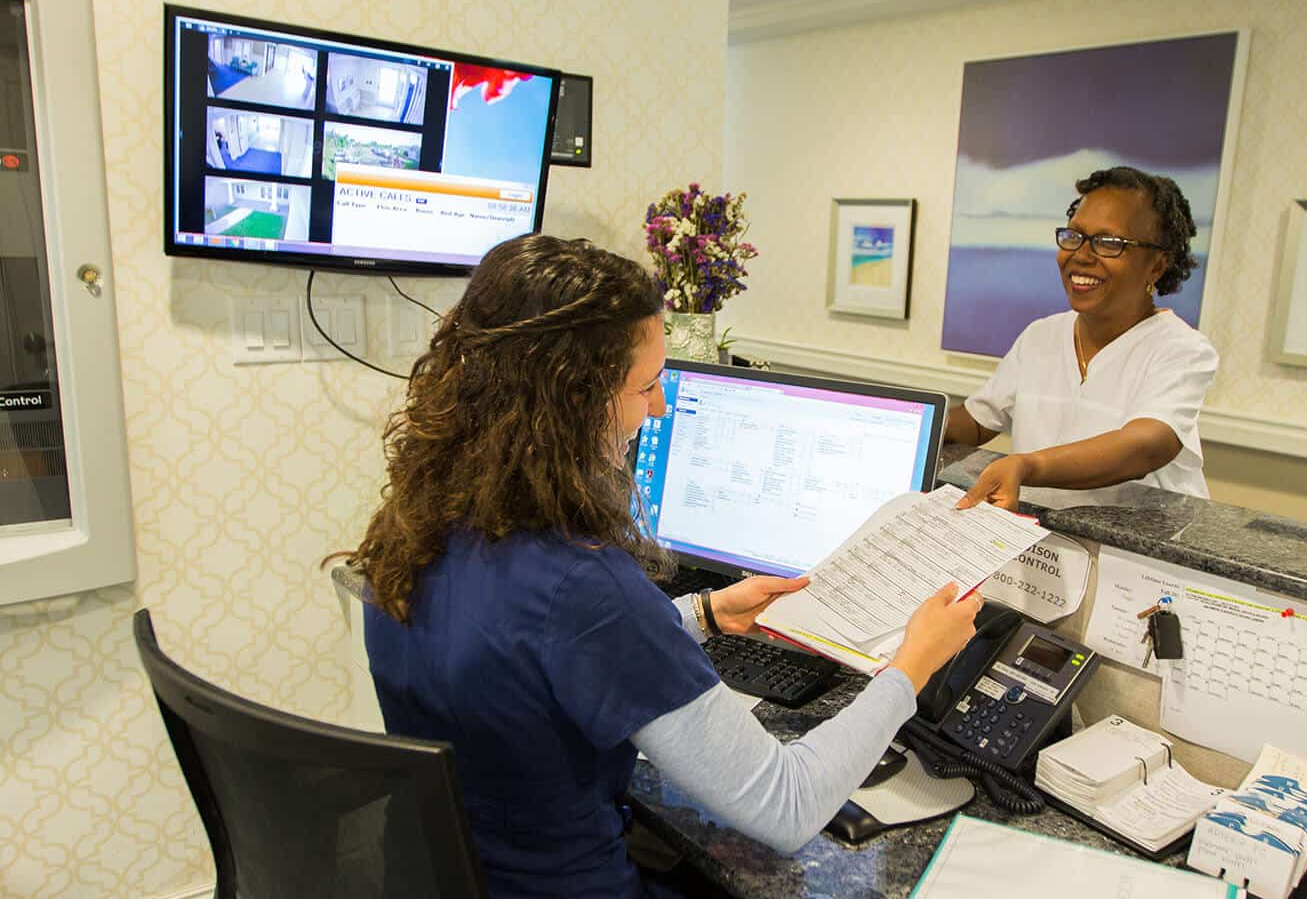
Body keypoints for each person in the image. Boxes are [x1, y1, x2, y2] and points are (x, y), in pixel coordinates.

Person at [338, 235, 983, 898]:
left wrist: (703, 612)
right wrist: (912, 664)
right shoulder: (584, 585)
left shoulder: (416, 524)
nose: (660, 409)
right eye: (645, 387)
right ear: (568, 401)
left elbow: (523, 652)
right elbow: (787, 806)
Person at [946, 166, 1219, 509]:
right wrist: (916, 419)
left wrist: (1029, 465)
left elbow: (1143, 446)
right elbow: (977, 421)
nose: (1081, 255)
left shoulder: (1182, 350)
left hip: (1135, 552)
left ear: (1156, 266)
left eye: (1109, 243)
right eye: (1075, 236)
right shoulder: (1041, 336)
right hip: (1046, 544)